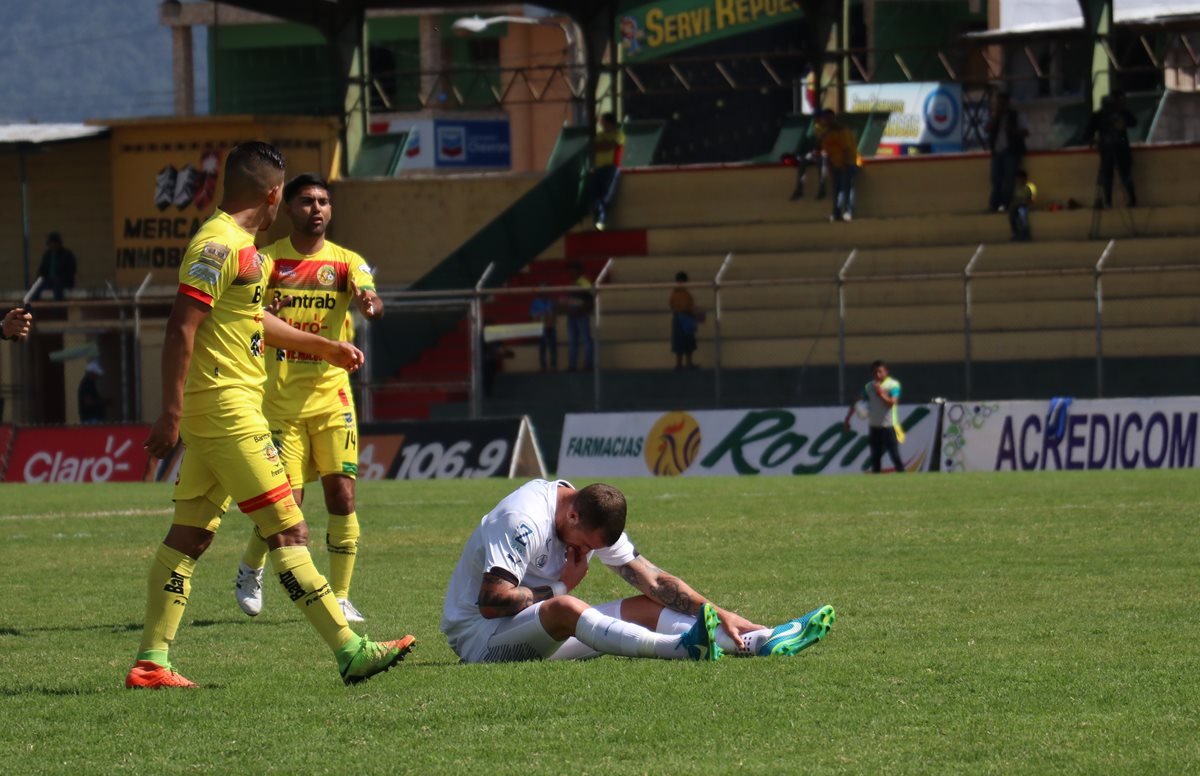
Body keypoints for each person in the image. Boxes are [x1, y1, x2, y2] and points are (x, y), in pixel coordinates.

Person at [129, 142, 414, 690]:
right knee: (289, 527)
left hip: (226, 410)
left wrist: (326, 347)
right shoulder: (218, 245)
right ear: (274, 194)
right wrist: (169, 412)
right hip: (227, 412)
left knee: (190, 536)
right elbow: (180, 327)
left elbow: (253, 318)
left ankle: (151, 662)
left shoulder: (244, 249)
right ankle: (351, 650)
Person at [441, 479, 835, 664]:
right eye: (586, 545)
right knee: (566, 606)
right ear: (572, 515)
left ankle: (758, 641)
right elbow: (492, 602)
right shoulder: (522, 519)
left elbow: (654, 581)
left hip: (538, 633)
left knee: (647, 606)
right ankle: (679, 649)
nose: (585, 553)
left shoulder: (587, 516)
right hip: (480, 640)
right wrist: (561, 585)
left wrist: (720, 612)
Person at [232, 173, 386, 626]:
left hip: (332, 397)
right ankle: (250, 567)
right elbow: (243, 314)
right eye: (305, 201)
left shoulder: (346, 262)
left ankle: (340, 596)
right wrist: (262, 314)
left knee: (343, 495)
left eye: (323, 201)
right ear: (288, 209)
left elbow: (370, 295)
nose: (316, 209)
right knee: (287, 505)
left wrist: (369, 303)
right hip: (280, 401)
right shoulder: (266, 262)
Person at [843, 359, 905, 474]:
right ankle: (876, 482)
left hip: (888, 426)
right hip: (874, 426)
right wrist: (847, 419)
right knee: (875, 458)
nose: (877, 374)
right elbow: (857, 402)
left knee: (894, 455)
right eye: (875, 372)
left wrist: (881, 393)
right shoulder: (869, 386)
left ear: (886, 372)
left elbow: (892, 402)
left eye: (880, 371)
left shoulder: (892, 385)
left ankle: (904, 477)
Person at [1085, 91, 1138, 209]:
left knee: (1125, 175)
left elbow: (1134, 122)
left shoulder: (1122, 113)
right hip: (1107, 150)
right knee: (1108, 176)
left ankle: (1132, 200)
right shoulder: (1099, 116)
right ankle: (1108, 202)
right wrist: (1095, 141)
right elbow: (1088, 133)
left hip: (1121, 149)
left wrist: (1122, 120)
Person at [986, 92, 1029, 213]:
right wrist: (995, 117)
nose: (1000, 105)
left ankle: (1004, 205)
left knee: (1008, 180)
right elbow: (987, 129)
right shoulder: (995, 117)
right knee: (996, 180)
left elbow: (1026, 132)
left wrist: (1013, 130)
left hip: (1011, 152)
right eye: (998, 103)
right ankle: (994, 205)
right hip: (997, 152)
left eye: (1002, 103)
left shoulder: (1016, 116)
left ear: (1008, 103)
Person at [816, 109, 858, 222]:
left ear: (834, 118)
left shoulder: (842, 131)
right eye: (825, 118)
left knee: (847, 188)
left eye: (829, 118)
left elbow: (847, 149)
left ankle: (848, 212)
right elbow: (826, 150)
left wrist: (845, 163)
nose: (827, 120)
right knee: (837, 190)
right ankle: (836, 212)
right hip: (835, 164)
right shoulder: (826, 133)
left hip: (846, 163)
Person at [589, 112, 624, 231]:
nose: (602, 124)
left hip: (611, 168)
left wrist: (603, 145)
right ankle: (600, 218)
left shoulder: (618, 135)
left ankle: (601, 219)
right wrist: (604, 145)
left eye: (603, 122)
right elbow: (595, 147)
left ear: (609, 123)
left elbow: (610, 146)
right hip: (598, 168)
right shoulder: (600, 135)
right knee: (594, 194)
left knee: (606, 195)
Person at [564, 261, 594, 371]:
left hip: (581, 315)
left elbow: (591, 295)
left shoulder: (584, 281)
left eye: (573, 269)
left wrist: (585, 308)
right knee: (572, 341)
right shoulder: (573, 282)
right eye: (570, 269)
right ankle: (572, 366)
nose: (570, 272)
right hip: (572, 315)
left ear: (579, 270)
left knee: (586, 339)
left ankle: (589, 365)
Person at [33, 232, 77, 301]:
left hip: (63, 281)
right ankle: (34, 305)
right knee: (37, 285)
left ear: (58, 243)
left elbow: (71, 270)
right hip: (49, 281)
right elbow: (42, 270)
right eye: (50, 244)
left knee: (57, 283)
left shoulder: (67, 254)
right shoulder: (47, 255)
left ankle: (58, 306)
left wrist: (60, 277)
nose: (52, 246)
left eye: (53, 243)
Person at [669, 271, 700, 369]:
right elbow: (685, 306)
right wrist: (692, 311)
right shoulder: (683, 294)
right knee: (685, 342)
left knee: (683, 342)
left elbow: (672, 305)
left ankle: (681, 364)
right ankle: (686, 363)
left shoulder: (675, 293)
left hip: (679, 318)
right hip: (684, 318)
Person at [529, 284, 558, 372]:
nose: (545, 292)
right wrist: (542, 315)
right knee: (542, 347)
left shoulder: (551, 302)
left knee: (553, 347)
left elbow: (554, 314)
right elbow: (533, 314)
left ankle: (553, 366)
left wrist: (550, 318)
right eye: (543, 290)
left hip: (551, 326)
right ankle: (543, 366)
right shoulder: (535, 302)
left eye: (546, 290)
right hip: (541, 327)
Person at [1009, 170, 1036, 242]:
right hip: (1016, 206)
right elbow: (1013, 199)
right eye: (1018, 179)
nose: (1020, 181)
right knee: (1012, 215)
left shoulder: (1027, 188)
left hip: (1024, 206)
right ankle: (1015, 233)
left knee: (1022, 214)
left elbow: (1029, 199)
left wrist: (1024, 202)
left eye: (1022, 179)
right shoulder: (1014, 189)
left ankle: (1025, 233)